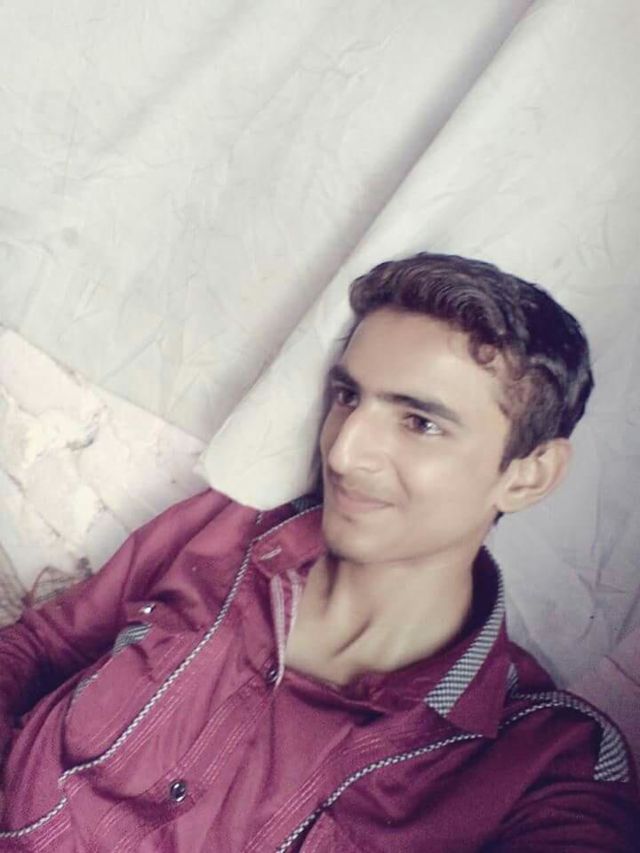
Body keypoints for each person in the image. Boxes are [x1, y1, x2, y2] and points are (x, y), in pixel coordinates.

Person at [0, 252, 637, 851]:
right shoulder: (232, 528)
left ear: (528, 475)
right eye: (348, 396)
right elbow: (40, 646)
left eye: (420, 422)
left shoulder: (551, 757)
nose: (343, 452)